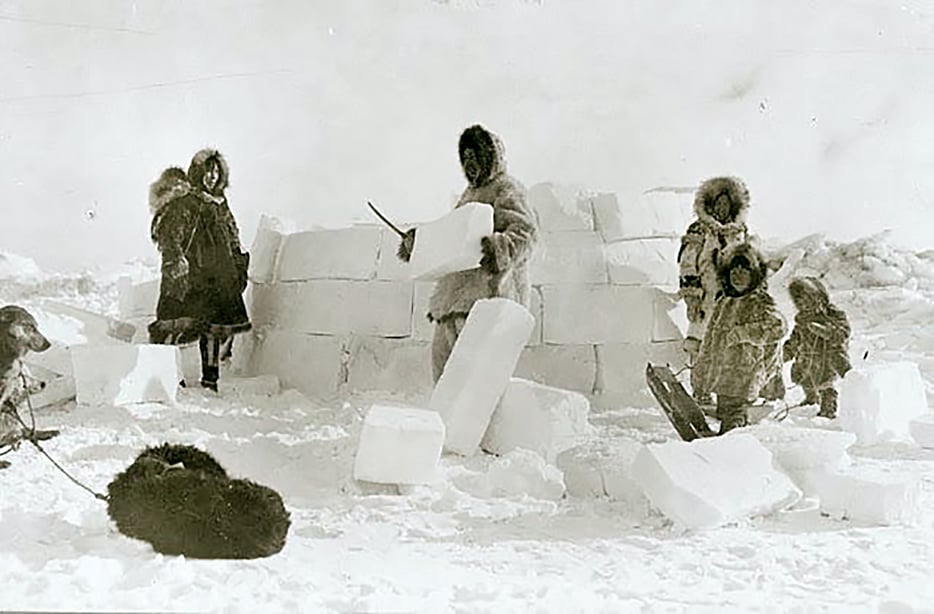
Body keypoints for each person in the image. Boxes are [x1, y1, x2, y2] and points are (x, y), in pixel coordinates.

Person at [397, 124, 539, 382]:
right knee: (445, 381)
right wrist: (419, 243)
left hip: (487, 298)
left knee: (474, 385)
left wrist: (500, 247)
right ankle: (444, 423)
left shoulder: (506, 188)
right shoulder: (469, 195)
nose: (470, 164)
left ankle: (481, 424)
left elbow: (526, 232)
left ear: (490, 157)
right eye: (466, 158)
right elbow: (452, 238)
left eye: (476, 157)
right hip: (452, 302)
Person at [147, 149, 251, 392]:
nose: (212, 177)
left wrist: (238, 265)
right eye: (207, 172)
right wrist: (175, 262)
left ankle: (210, 379)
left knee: (214, 328)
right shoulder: (186, 202)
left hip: (218, 277)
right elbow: (171, 237)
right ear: (198, 173)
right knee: (176, 328)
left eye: (216, 172)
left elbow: (232, 237)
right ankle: (170, 377)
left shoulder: (221, 204)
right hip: (191, 277)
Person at [692, 243, 787, 435]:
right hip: (722, 376)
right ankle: (728, 442)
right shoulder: (724, 302)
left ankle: (730, 448)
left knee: (734, 416)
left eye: (744, 271)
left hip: (745, 375)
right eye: (734, 271)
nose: (738, 275)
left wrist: (744, 333)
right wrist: (701, 372)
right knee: (726, 411)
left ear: (754, 275)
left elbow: (778, 327)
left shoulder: (759, 301)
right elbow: (710, 342)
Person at [678, 176, 754, 404]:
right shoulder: (699, 230)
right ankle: (701, 391)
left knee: (729, 346)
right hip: (707, 298)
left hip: (733, 300)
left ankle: (727, 394)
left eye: (727, 204)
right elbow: (688, 262)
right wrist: (692, 297)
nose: (722, 208)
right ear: (710, 205)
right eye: (718, 203)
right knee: (701, 345)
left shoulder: (739, 231)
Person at [782, 276, 852, 418]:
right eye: (799, 301)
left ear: (817, 296)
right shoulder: (802, 320)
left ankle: (828, 406)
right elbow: (795, 339)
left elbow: (842, 333)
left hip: (828, 356)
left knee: (825, 381)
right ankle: (811, 398)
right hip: (807, 356)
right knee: (805, 378)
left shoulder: (832, 314)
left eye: (807, 299)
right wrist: (786, 352)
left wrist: (824, 331)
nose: (803, 305)